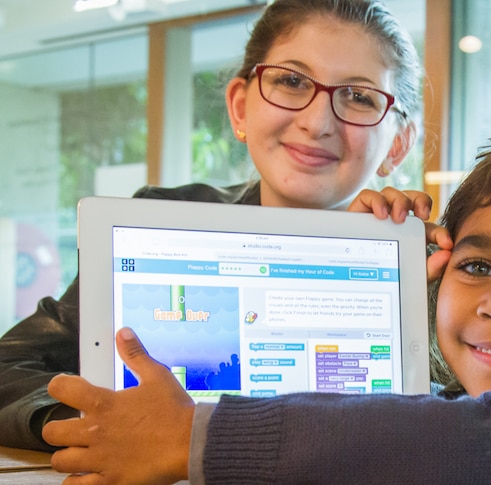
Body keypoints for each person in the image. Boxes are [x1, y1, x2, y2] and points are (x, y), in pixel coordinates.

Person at [43, 122, 491, 484]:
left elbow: (482, 445)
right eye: (476, 264)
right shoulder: (446, 409)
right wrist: (383, 259)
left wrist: (194, 435)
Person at [0, 0, 451, 452]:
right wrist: (105, 425)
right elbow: (9, 365)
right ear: (240, 108)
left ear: (398, 144)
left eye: (358, 96)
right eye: (292, 81)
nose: (317, 122)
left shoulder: (435, 264)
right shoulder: (160, 220)